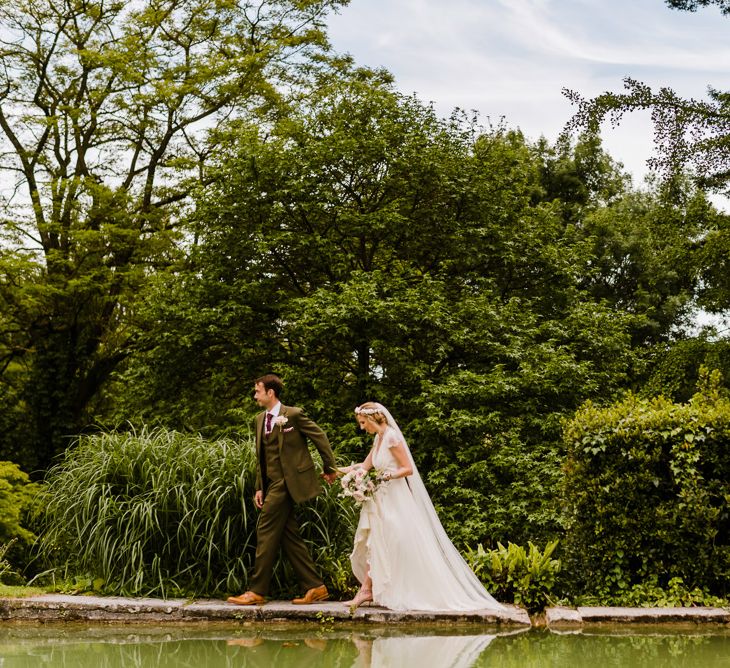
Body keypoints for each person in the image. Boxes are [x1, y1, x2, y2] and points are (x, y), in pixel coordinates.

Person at [340, 402, 505, 612]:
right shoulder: (378, 438)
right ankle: (368, 589)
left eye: (363, 423)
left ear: (373, 419)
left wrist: (388, 475)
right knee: (378, 541)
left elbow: (407, 468)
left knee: (398, 541)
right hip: (381, 498)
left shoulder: (392, 437)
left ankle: (386, 589)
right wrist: (341, 472)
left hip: (397, 498)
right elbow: (364, 467)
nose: (362, 427)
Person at [227, 373, 338, 606]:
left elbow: (320, 437)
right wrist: (260, 487)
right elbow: (262, 458)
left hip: (289, 483)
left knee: (265, 530)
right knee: (289, 536)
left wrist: (330, 468)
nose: (254, 395)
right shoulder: (259, 419)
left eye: (257, 391)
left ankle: (257, 590)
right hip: (271, 484)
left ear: (270, 393)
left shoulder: (293, 415)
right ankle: (315, 587)